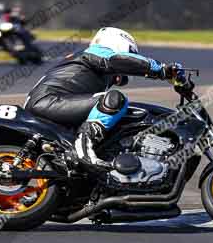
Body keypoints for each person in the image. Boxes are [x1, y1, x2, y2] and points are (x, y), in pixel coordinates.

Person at [24, 27, 185, 172]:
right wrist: (161, 69)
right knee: (115, 99)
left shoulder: (93, 64)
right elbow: (120, 61)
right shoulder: (96, 53)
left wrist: (176, 80)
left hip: (55, 102)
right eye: (131, 53)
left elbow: (123, 75)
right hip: (50, 101)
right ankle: (84, 147)